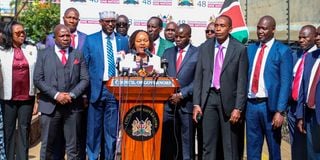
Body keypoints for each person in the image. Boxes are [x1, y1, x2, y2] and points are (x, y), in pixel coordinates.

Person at [192, 15, 248, 160]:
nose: (218, 28)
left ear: (230, 29)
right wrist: (197, 103)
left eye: (222, 26)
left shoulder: (239, 49)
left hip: (229, 102)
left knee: (229, 146)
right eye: (216, 25)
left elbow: (242, 81)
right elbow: (199, 77)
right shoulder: (205, 47)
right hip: (209, 99)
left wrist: (238, 108)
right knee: (207, 144)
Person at [34, 24, 89, 159]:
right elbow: (38, 79)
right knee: (48, 146)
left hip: (72, 106)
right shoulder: (43, 54)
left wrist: (71, 94)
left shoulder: (78, 54)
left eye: (68, 35)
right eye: (62, 36)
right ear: (54, 38)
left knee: (73, 147)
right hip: (50, 107)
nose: (65, 38)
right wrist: (56, 95)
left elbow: (85, 79)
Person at [82, 10, 129, 160]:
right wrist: (84, 92)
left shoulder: (123, 40)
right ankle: (93, 157)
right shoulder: (91, 40)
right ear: (100, 22)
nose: (110, 24)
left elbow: (127, 64)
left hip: (115, 90)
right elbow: (84, 66)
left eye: (113, 21)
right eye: (107, 21)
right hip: (96, 90)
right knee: (94, 131)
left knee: (111, 132)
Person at [246, 15, 293, 160]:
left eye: (264, 28)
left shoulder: (283, 51)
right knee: (252, 148)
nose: (260, 31)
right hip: (251, 105)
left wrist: (280, 111)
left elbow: (286, 83)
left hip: (270, 107)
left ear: (273, 30)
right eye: (259, 28)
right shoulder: (251, 49)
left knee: (273, 148)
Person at [0, 21, 38, 160]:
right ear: (10, 34)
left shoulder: (32, 49)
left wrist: (37, 100)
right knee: (8, 131)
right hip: (7, 98)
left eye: (23, 32)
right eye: (18, 33)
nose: (22, 35)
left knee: (24, 130)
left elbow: (38, 75)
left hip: (27, 98)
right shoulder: (2, 51)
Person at [161, 23, 198, 160]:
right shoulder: (168, 52)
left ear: (189, 36)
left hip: (186, 105)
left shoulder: (197, 53)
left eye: (181, 37)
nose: (177, 39)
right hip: (168, 105)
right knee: (168, 142)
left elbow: (198, 80)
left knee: (187, 143)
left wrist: (182, 94)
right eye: (176, 36)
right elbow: (163, 76)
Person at [288, 25, 317, 160]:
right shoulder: (295, 55)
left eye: (305, 37)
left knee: (311, 149)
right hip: (293, 108)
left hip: (310, 111)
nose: (301, 40)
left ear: (313, 37)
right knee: (296, 147)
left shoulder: (315, 57)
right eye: (299, 37)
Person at [296, 49, 320, 160]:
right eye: (317, 35)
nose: (317, 38)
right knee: (312, 155)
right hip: (310, 115)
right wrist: (301, 115)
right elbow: (303, 88)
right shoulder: (311, 57)